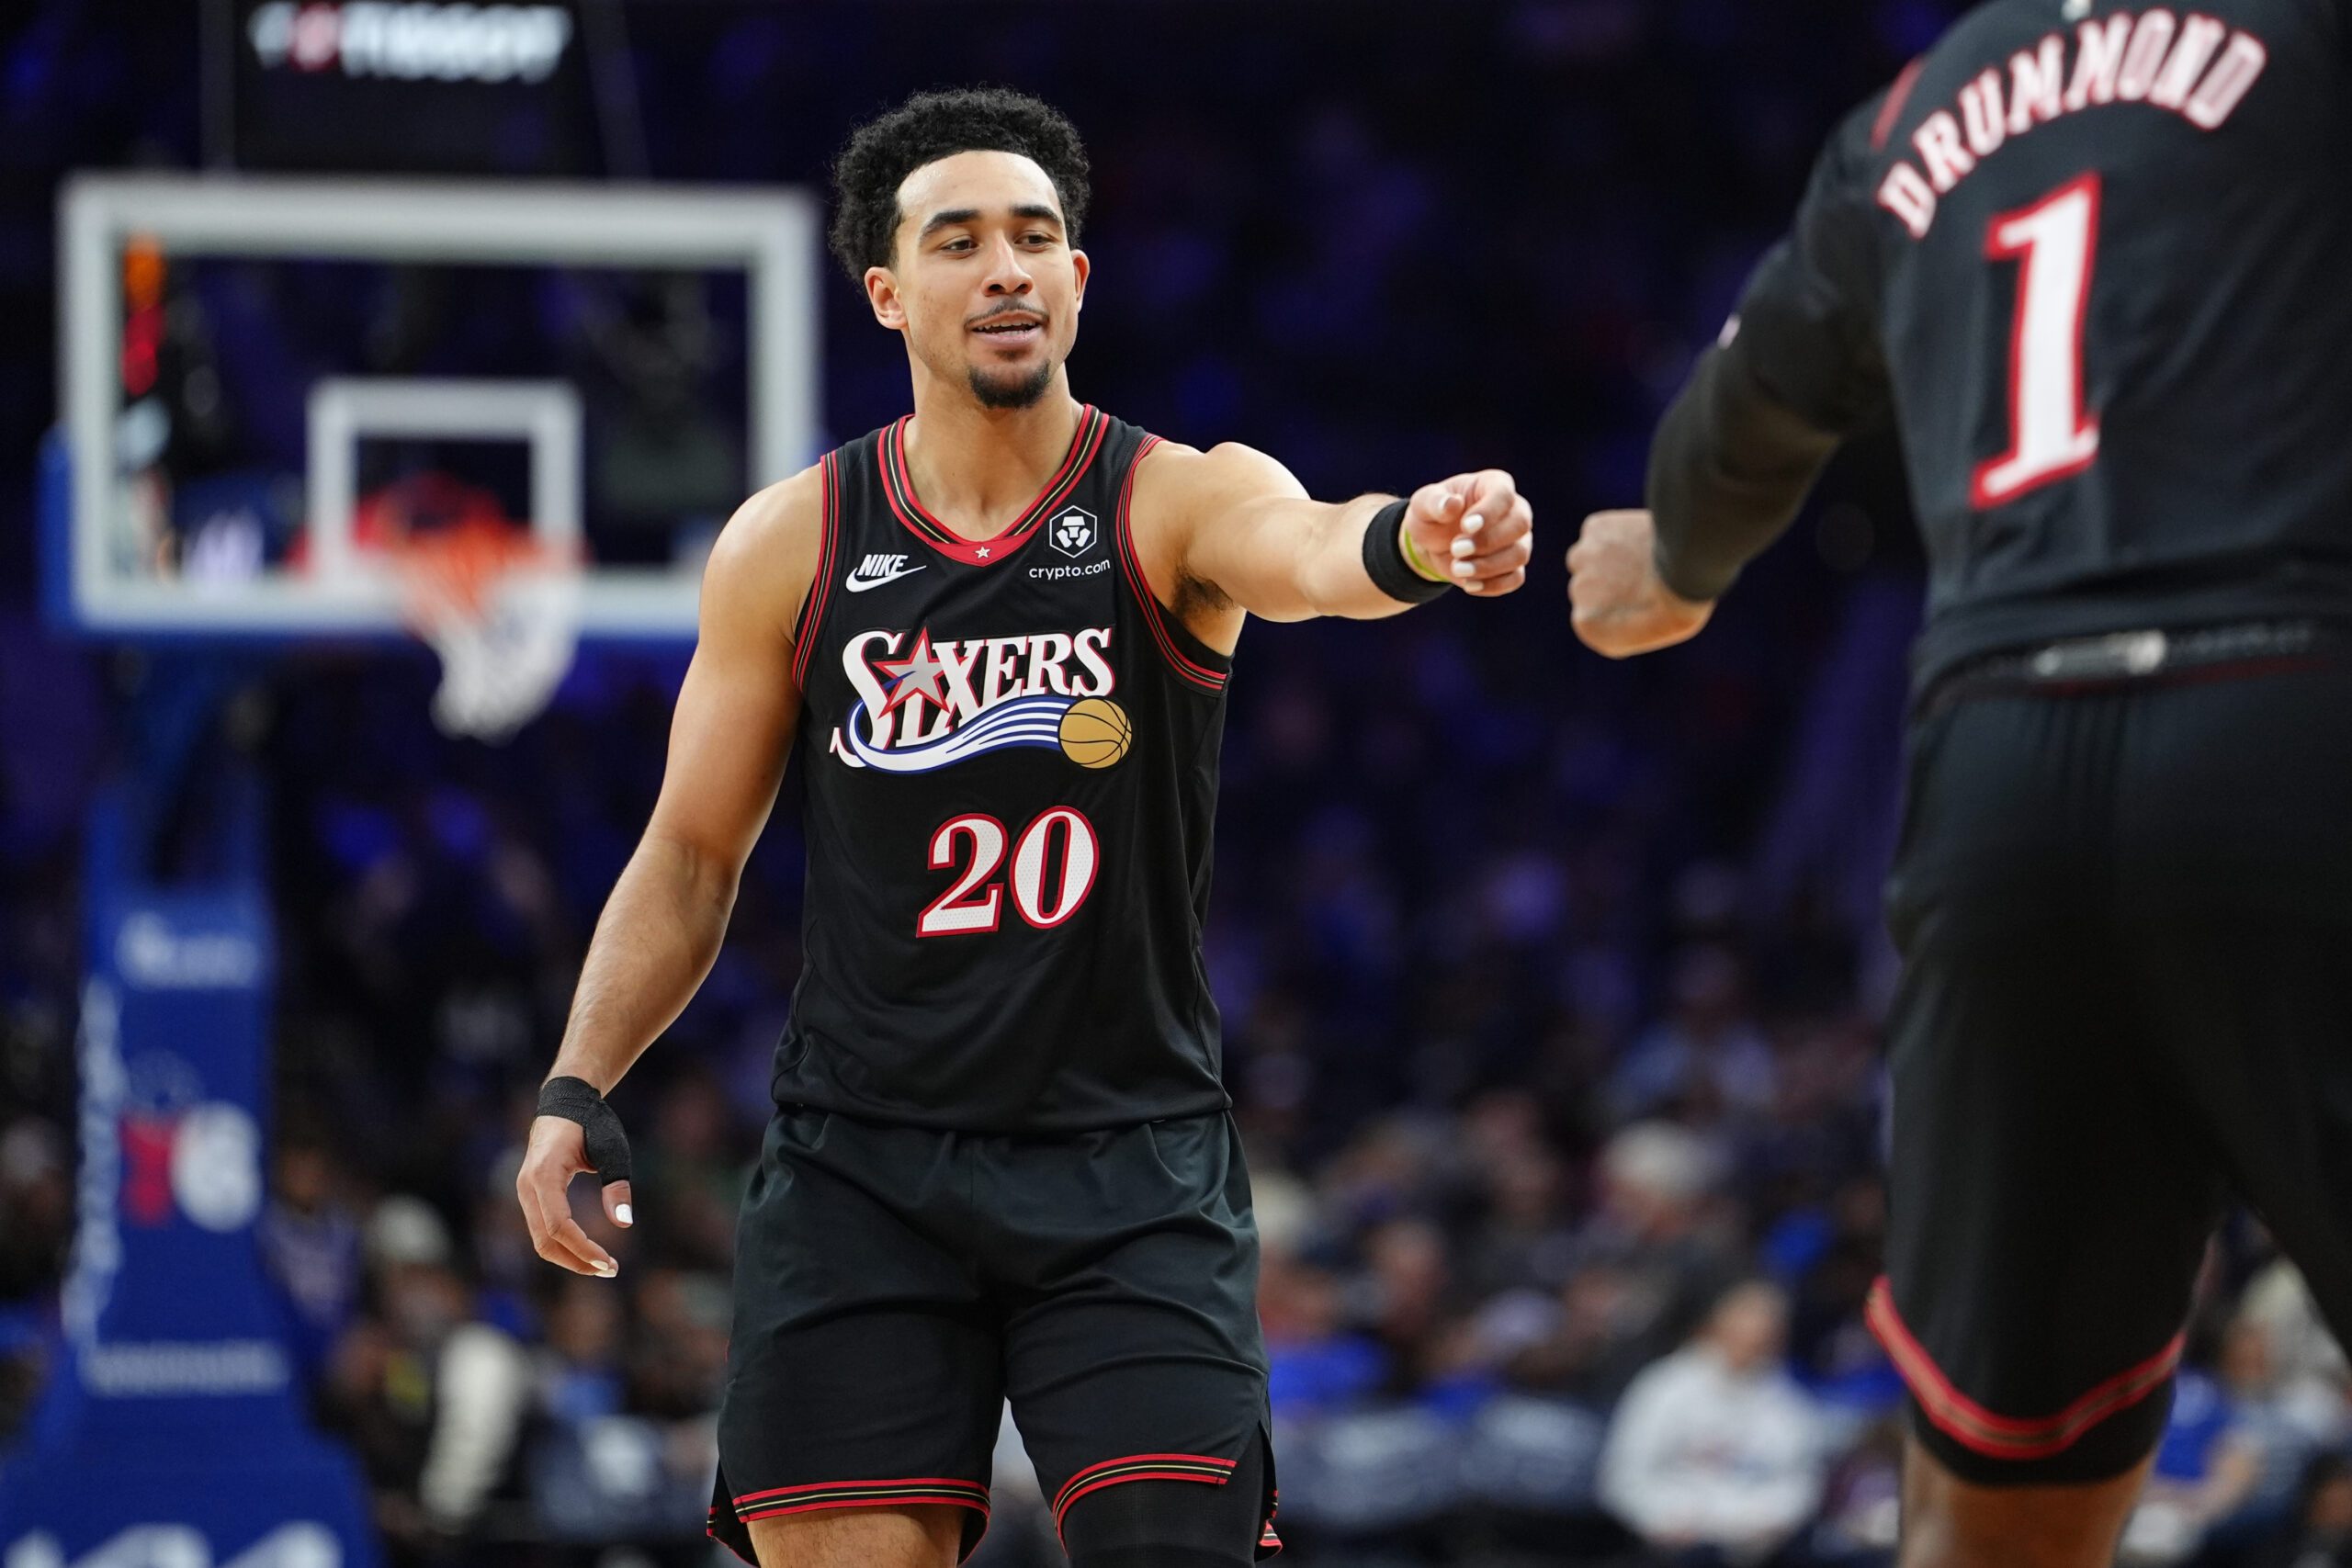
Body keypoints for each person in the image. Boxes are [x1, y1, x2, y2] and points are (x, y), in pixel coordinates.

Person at [513, 87, 1534, 1568]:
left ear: (1076, 280)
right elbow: (688, 856)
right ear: (887, 291)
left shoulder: (1172, 497)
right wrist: (574, 1082)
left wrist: (1416, 538)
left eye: (1037, 237)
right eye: (960, 240)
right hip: (865, 1164)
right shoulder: (792, 540)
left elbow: (1313, 547)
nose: (1005, 267)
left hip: (1125, 1162)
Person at [1563, 4, 2352, 1565]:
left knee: (1993, 1506)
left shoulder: (1914, 112)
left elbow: (1734, 437)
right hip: (2290, 703)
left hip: (2000, 768)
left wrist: (1669, 558)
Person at [1597, 1280, 1827, 1567]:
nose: (1752, 1346)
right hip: (1666, 1546)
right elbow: (1623, 1475)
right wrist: (1663, 1519)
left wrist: (1760, 1524)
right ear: (1718, 1328)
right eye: (1744, 1334)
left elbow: (1800, 1485)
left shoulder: (1791, 1404)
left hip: (1751, 1550)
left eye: (1764, 1339)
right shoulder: (1665, 1386)